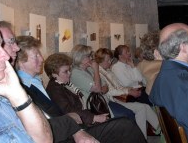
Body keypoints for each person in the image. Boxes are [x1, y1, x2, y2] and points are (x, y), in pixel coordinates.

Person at [15, 36, 146, 143]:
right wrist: (90, 120)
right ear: (20, 61)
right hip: (69, 131)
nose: (41, 59)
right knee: (125, 124)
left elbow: (101, 87)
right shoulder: (25, 89)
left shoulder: (44, 83)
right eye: (36, 56)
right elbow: (63, 112)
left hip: (76, 124)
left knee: (124, 123)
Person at [0, 9, 52, 143]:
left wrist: (17, 95)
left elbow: (45, 140)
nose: (6, 56)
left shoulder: (1, 94)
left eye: (1, 45)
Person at [94, 48, 159, 139]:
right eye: (108, 60)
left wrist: (128, 89)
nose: (110, 62)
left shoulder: (108, 70)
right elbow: (110, 91)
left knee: (145, 106)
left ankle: (161, 130)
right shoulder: (99, 73)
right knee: (142, 107)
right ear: (100, 61)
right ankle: (141, 139)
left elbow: (121, 85)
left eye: (110, 59)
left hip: (120, 96)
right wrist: (128, 91)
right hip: (113, 100)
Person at [70, 44, 135, 119]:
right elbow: (97, 89)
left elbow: (105, 86)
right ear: (80, 58)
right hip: (96, 107)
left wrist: (100, 89)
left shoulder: (89, 69)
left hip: (105, 101)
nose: (91, 58)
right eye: (88, 56)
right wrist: (96, 70)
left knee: (130, 114)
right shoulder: (75, 73)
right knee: (127, 117)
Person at [45, 53, 109, 126]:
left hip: (86, 118)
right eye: (65, 71)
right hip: (79, 127)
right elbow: (69, 112)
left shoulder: (65, 84)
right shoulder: (54, 90)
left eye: (69, 70)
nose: (69, 73)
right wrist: (95, 118)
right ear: (54, 74)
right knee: (120, 124)